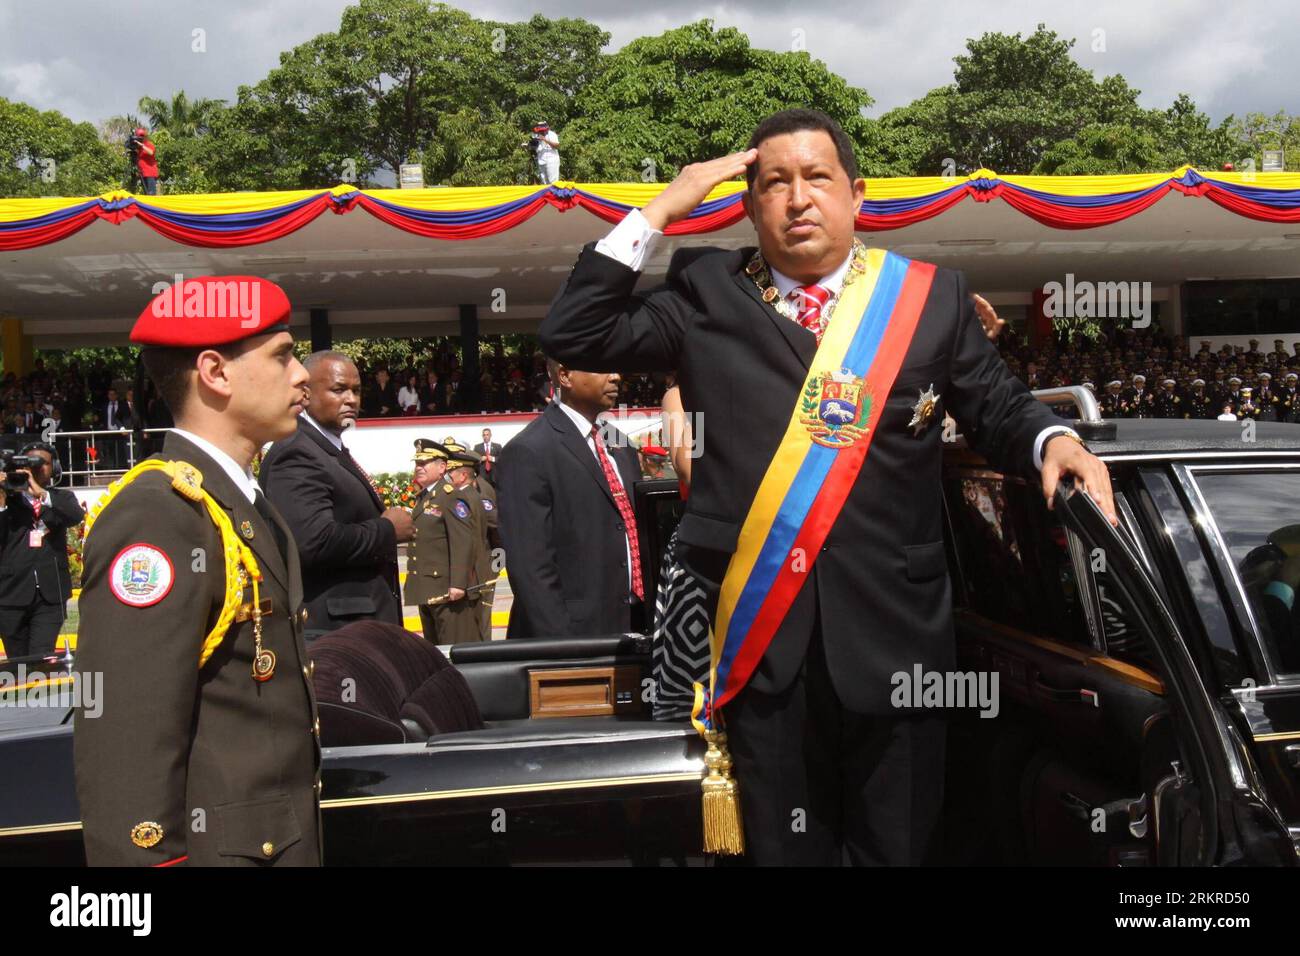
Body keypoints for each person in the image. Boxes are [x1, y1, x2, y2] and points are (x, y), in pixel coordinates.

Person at [541, 108, 1115, 865]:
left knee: (898, 849)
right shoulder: (704, 289)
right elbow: (574, 334)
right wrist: (658, 211)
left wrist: (1055, 438)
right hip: (761, 643)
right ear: (749, 205)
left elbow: (997, 407)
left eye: (817, 178)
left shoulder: (928, 298)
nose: (798, 198)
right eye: (774, 183)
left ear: (857, 194)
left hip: (897, 638)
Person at [74, 275, 321, 866]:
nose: (302, 374)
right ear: (215, 373)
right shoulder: (160, 514)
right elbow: (126, 731)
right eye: (283, 356)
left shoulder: (240, 501)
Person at [259, 351, 410, 637]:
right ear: (305, 394)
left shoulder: (327, 449)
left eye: (356, 390)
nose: (351, 399)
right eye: (338, 390)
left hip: (359, 627)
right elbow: (311, 542)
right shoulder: (296, 451)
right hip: (333, 632)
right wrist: (386, 531)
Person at [497, 360, 645, 639]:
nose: (616, 375)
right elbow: (531, 568)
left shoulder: (621, 445)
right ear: (564, 376)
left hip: (632, 629)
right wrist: (565, 649)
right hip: (572, 641)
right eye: (602, 366)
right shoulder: (528, 451)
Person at [0, 443, 82, 659]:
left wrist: (40, 493)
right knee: (17, 661)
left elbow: (75, 516)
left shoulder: (60, 498)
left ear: (54, 468)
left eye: (42, 463)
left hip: (50, 594)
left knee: (40, 657)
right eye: (29, 463)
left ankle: (40, 692)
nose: (35, 468)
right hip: (11, 594)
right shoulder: (7, 500)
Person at [403, 439, 474, 644]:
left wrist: (458, 584)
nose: (419, 468)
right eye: (417, 463)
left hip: (446, 589)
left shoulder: (449, 496)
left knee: (450, 648)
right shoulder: (425, 496)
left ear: (442, 467)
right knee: (434, 649)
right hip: (427, 587)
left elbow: (462, 541)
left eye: (425, 463)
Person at [440, 441, 493, 643]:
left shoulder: (465, 497)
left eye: (451, 471)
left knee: (475, 628)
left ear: (463, 475)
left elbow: (473, 537)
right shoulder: (470, 494)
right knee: (476, 628)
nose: (448, 476)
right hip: (477, 570)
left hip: (475, 571)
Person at [131, 127, 159, 195]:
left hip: (150, 173)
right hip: (143, 174)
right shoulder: (139, 148)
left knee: (151, 194)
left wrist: (142, 145)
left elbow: (151, 152)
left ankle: (152, 205)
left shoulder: (149, 144)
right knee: (146, 194)